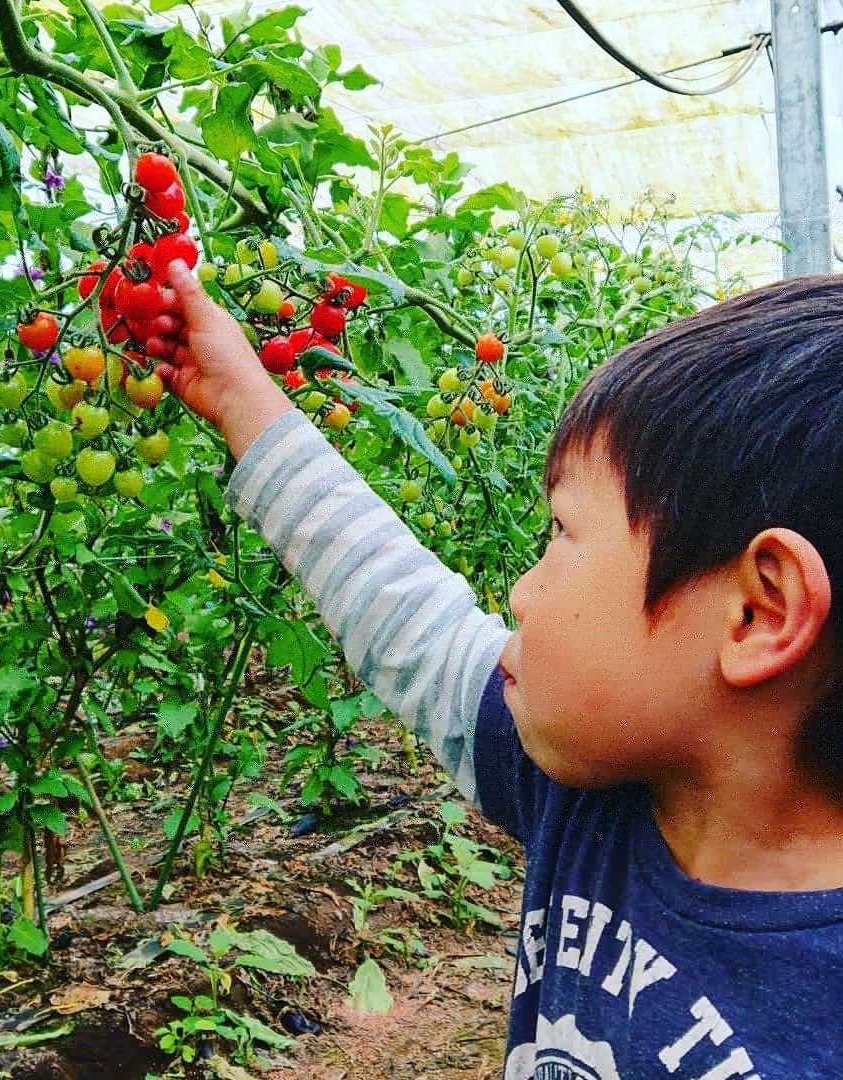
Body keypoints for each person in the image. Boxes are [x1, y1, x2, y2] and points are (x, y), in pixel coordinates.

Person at [159, 261, 843, 1078]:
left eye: (561, 532)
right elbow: (405, 618)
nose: (521, 590)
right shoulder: (592, 788)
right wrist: (242, 397)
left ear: (757, 612)